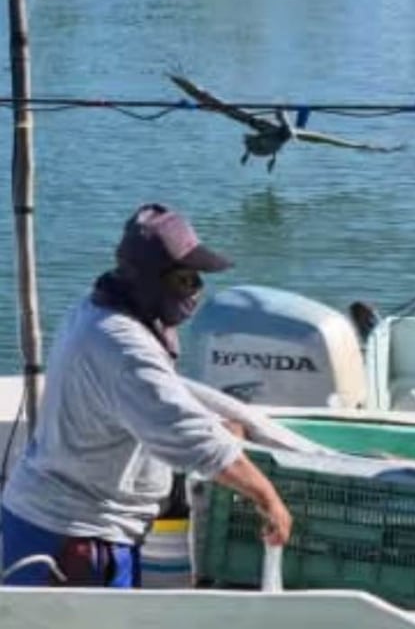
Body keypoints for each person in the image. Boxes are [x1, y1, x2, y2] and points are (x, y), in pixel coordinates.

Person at [1, 203, 292, 587]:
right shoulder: (125, 348)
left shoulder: (92, 310)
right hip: (76, 537)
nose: (196, 293)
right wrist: (268, 497)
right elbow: (189, 437)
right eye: (185, 281)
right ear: (152, 281)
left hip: (46, 517)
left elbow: (151, 403)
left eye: (198, 280)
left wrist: (220, 427)